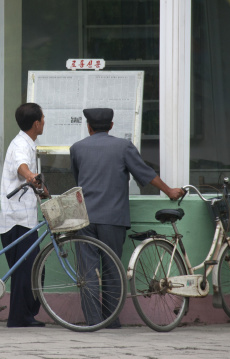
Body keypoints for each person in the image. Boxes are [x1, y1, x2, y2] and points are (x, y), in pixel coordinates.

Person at [70, 108, 184, 328]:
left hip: (84, 218)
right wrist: (169, 191)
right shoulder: (123, 147)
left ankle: (93, 322)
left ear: (89, 127)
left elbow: (78, 180)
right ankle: (111, 321)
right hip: (113, 218)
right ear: (112, 126)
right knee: (112, 269)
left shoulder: (77, 148)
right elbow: (146, 173)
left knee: (88, 272)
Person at [0, 103, 47, 328]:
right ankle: (19, 317)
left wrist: (41, 188)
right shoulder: (20, 145)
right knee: (24, 271)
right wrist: (30, 176)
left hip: (23, 217)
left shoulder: (27, 143)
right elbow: (22, 166)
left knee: (29, 269)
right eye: (43, 119)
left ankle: (24, 315)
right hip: (18, 219)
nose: (44, 122)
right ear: (36, 123)